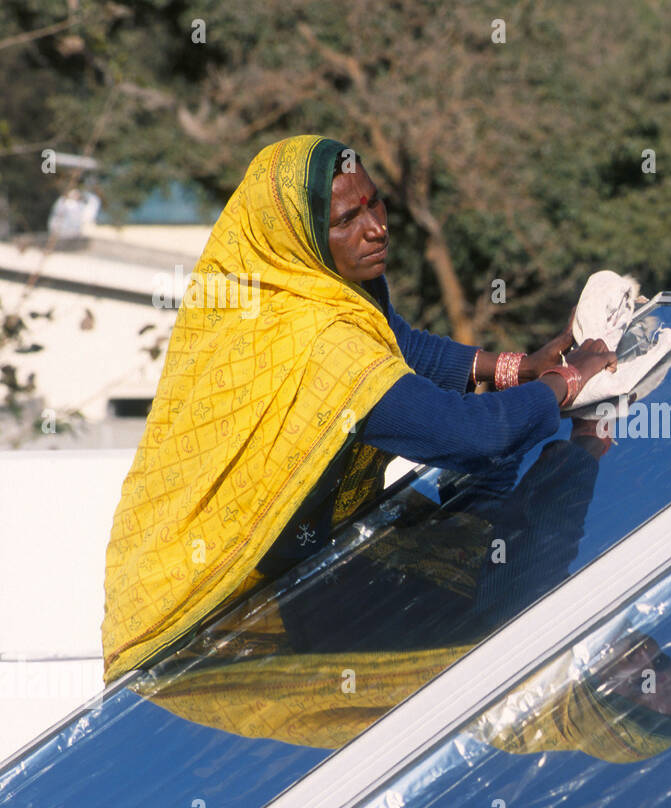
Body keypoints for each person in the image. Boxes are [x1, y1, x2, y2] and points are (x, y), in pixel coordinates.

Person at [100, 134, 616, 681]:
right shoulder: (320, 345)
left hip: (289, 567)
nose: (377, 227)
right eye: (347, 218)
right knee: (490, 608)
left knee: (485, 534)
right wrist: (569, 383)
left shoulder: (300, 288)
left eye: (374, 202)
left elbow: (399, 347)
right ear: (298, 236)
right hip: (209, 617)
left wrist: (517, 369)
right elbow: (473, 437)